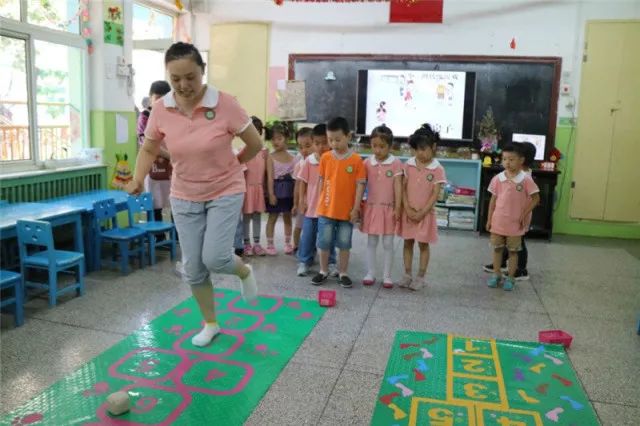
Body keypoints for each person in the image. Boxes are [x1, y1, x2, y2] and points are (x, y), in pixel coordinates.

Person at [126, 42, 263, 347]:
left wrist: (234, 165)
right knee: (194, 267)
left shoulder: (225, 104)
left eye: (190, 76)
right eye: (175, 79)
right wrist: (137, 178)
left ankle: (243, 270)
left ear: (202, 71)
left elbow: (255, 144)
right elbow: (149, 147)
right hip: (184, 193)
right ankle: (211, 323)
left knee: (214, 257)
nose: (183, 85)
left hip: (225, 190)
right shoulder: (161, 109)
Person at [310, 117, 366, 288]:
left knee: (344, 243)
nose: (333, 143)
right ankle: (323, 271)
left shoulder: (357, 160)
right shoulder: (326, 158)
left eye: (337, 139)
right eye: (330, 140)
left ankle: (343, 272)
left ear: (348, 137)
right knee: (324, 242)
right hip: (326, 210)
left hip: (346, 212)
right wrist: (318, 204)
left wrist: (356, 209)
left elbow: (360, 186)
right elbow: (321, 181)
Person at [397, 124, 447, 291]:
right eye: (417, 149)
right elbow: (402, 188)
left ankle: (421, 276)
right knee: (407, 243)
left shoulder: (438, 169)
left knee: (423, 245)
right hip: (408, 213)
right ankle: (407, 274)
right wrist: (408, 209)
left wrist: (422, 213)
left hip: (425, 215)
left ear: (433, 147)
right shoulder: (408, 165)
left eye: (424, 149)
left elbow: (435, 194)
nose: (420, 153)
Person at [486, 144, 540, 291]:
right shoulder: (498, 178)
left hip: (515, 224)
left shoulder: (526, 180)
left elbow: (536, 198)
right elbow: (493, 200)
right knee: (497, 249)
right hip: (498, 222)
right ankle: (496, 274)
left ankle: (511, 278)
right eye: (504, 159)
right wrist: (489, 219)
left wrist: (524, 214)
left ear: (521, 160)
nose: (507, 163)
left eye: (511, 159)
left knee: (513, 251)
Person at [361, 125, 403, 289]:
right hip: (371, 208)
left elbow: (398, 186)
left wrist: (398, 207)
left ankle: (387, 276)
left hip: (389, 208)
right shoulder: (366, 163)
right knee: (371, 242)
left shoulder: (396, 163)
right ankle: (370, 272)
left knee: (388, 243)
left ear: (390, 146)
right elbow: (361, 185)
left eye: (382, 146)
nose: (377, 150)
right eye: (374, 146)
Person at [296, 124, 337, 277]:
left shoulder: (334, 160)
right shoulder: (309, 161)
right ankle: (304, 261)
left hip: (328, 209)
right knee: (307, 236)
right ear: (313, 143)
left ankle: (331, 262)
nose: (321, 147)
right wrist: (301, 200)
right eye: (317, 143)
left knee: (328, 237)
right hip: (311, 208)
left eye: (324, 143)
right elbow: (302, 182)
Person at [136, 81, 172, 233]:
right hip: (153, 166)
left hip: (170, 168)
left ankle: (176, 234)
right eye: (157, 97)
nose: (160, 102)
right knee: (154, 201)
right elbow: (146, 144)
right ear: (150, 98)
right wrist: (169, 155)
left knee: (173, 200)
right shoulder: (144, 117)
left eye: (164, 98)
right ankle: (158, 235)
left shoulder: (172, 115)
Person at [265, 122, 297, 255]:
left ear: (287, 138)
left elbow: (296, 181)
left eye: (279, 138)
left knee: (287, 217)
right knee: (272, 217)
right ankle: (270, 244)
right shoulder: (270, 157)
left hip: (289, 192)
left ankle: (288, 243)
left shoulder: (294, 159)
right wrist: (271, 194)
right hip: (276, 192)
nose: (275, 141)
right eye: (273, 139)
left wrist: (296, 200)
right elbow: (270, 178)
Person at [242, 116, 268, 256]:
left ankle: (257, 244)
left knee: (257, 216)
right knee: (246, 217)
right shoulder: (241, 151)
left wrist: (267, 190)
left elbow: (267, 172)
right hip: (246, 189)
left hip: (258, 188)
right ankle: (246, 244)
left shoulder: (264, 151)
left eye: (257, 131)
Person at [292, 127, 314, 253]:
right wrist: (295, 203)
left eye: (307, 146)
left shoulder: (320, 162)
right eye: (300, 147)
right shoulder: (299, 164)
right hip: (302, 202)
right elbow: (297, 185)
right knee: (299, 225)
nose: (304, 150)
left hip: (315, 203)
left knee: (311, 228)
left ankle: (312, 248)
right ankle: (296, 246)